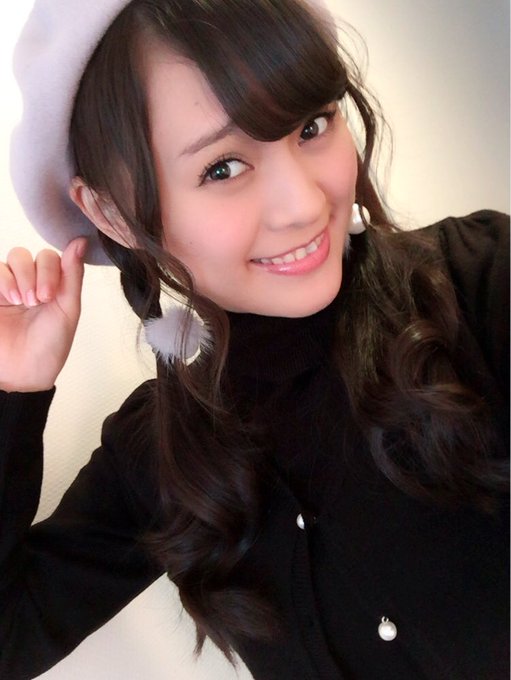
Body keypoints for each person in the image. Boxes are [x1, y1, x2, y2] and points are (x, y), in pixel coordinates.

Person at [0, 0, 508, 678]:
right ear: (112, 214)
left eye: (312, 125)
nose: (305, 204)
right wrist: (13, 391)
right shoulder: (162, 453)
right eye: (222, 168)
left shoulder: (480, 285)